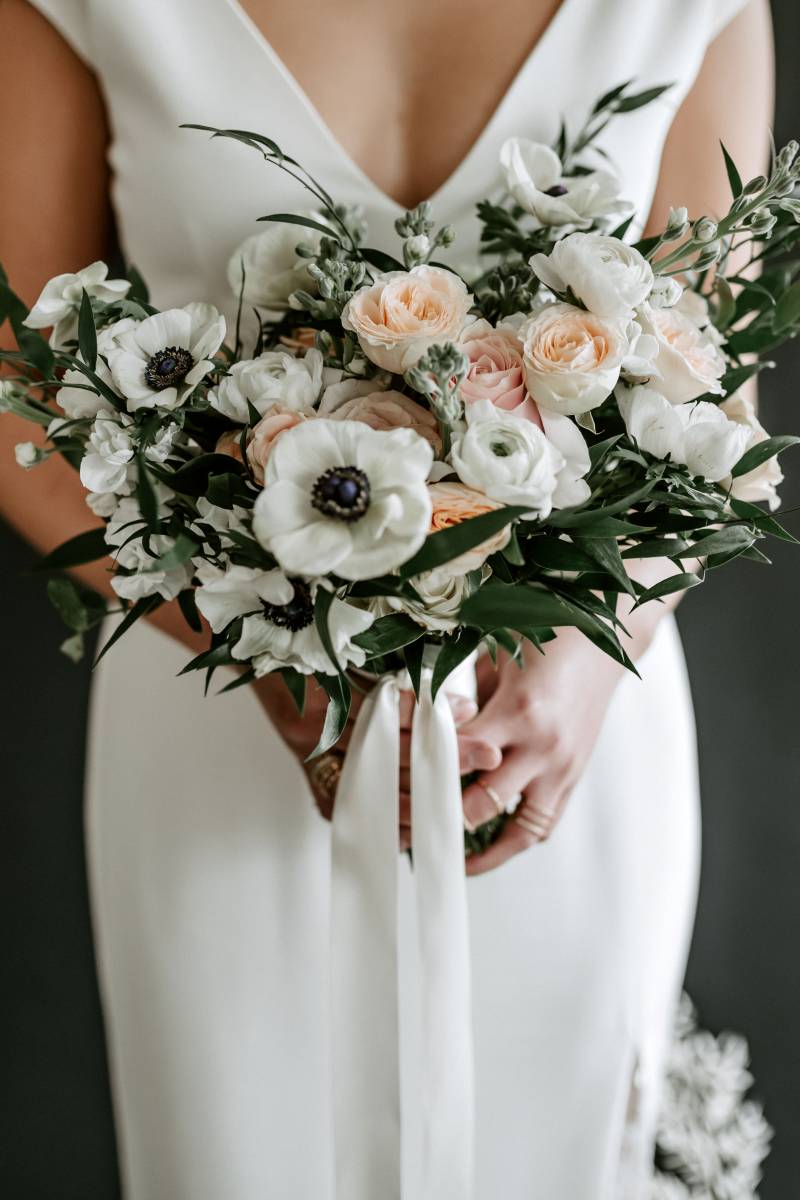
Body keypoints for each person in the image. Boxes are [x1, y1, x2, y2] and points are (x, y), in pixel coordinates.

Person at [0, 1, 773, 1197]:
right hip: (215, 719)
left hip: (549, 729)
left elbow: (713, 403)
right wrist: (250, 638)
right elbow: (17, 397)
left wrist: (588, 653)